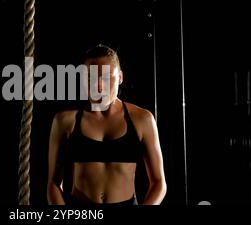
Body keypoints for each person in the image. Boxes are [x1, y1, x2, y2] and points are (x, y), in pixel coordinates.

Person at [47, 44, 166, 205]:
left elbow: (159, 183)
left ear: (120, 78)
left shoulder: (142, 119)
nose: (100, 86)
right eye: (92, 78)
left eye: (107, 77)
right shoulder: (65, 121)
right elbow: (53, 184)